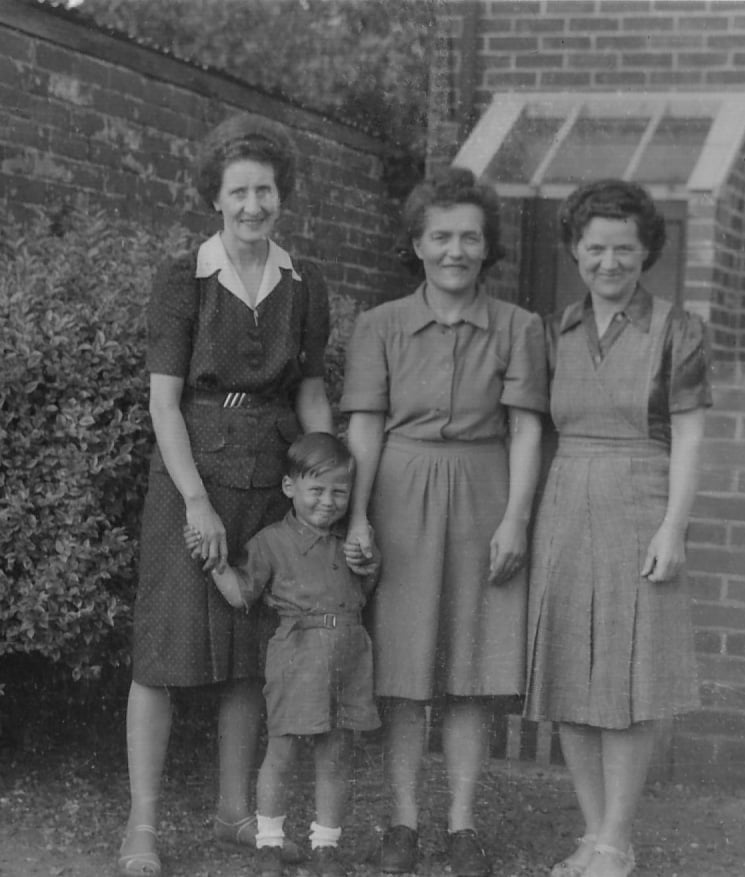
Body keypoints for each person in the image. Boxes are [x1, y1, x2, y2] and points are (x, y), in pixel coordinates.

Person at [118, 114, 333, 877]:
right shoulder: (184, 279)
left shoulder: (304, 287)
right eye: (238, 190)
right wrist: (196, 502)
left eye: (265, 190)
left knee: (249, 656)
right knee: (163, 654)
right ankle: (141, 826)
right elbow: (163, 404)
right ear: (216, 195)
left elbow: (309, 392)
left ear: (282, 196)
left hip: (270, 481)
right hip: (192, 477)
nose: (252, 205)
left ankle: (234, 811)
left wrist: (324, 482)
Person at [341, 167, 547, 877]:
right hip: (398, 494)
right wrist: (357, 516)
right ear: (417, 245)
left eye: (469, 237)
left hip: (484, 496)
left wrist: (516, 518)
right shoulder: (380, 325)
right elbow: (364, 427)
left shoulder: (520, 328)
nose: (455, 250)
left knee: (469, 669)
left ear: (486, 247)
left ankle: (460, 825)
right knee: (401, 670)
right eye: (440, 236)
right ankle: (401, 821)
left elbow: (526, 431)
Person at [524, 179, 711, 877]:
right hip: (566, 500)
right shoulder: (552, 330)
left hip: (641, 500)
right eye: (595, 248)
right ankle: (595, 829)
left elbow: (689, 437)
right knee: (569, 669)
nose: (609, 262)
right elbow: (534, 431)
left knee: (632, 677)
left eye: (624, 249)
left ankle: (616, 838)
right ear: (575, 250)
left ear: (646, 253)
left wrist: (673, 527)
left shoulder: (677, 329)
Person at [188, 433, 380, 877]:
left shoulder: (350, 540)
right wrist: (214, 561)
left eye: (339, 491)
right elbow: (241, 595)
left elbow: (364, 590)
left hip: (350, 655)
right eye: (317, 490)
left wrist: (368, 563)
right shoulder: (271, 541)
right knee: (283, 751)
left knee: (336, 753)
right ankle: (270, 842)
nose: (329, 502)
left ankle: (326, 846)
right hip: (297, 654)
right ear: (290, 487)